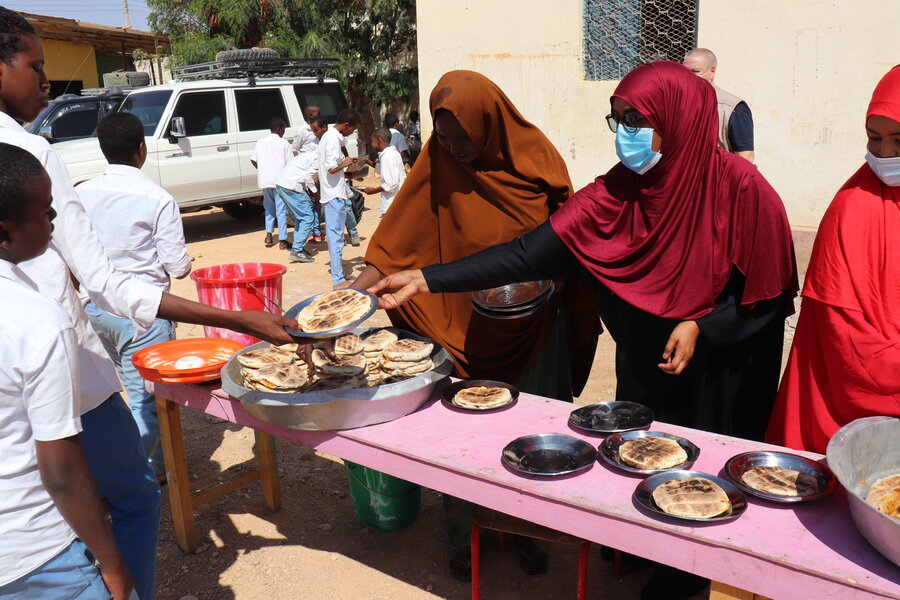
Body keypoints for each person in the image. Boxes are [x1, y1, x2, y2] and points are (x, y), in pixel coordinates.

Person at [368, 63, 797, 598]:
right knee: (643, 461)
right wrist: (428, 278)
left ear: (680, 119)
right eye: (616, 119)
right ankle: (647, 552)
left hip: (715, 373)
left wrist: (702, 325)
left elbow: (770, 295)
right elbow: (526, 254)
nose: (624, 134)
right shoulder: (617, 194)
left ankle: (683, 579)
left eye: (637, 120)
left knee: (704, 485)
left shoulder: (743, 190)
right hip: (645, 366)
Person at [0, 10, 296, 599]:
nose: (47, 82)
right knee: (130, 497)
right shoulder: (29, 157)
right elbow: (110, 282)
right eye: (35, 66)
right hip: (71, 377)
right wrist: (237, 316)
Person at [348, 70, 601, 582]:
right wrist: (356, 292)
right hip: (462, 328)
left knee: (533, 435)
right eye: (445, 138)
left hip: (534, 330)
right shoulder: (437, 165)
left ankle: (529, 532)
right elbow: (397, 240)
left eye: (464, 137)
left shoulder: (538, 165)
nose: (456, 148)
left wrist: (552, 286)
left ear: (490, 124)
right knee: (464, 439)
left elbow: (569, 245)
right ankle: (465, 535)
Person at [0, 143, 134, 600]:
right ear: (5, 233)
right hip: (37, 551)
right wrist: (113, 566)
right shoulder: (37, 321)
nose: (54, 219)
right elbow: (60, 470)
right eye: (45, 212)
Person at [766, 65, 900, 453]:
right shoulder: (852, 207)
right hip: (852, 419)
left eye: (898, 140)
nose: (885, 154)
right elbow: (840, 335)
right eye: (874, 138)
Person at [78, 112, 192, 484]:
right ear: (140, 149)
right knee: (147, 402)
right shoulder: (157, 198)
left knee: (132, 388)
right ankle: (123, 481)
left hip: (95, 310)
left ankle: (156, 468)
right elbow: (177, 267)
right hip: (141, 317)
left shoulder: (81, 193)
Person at [684, 48, 755, 163]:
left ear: (712, 71)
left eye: (695, 71)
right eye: (685, 72)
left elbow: (745, 156)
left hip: (716, 178)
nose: (689, 76)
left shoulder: (732, 107)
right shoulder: (679, 103)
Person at [318, 108, 361, 286]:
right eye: (352, 129)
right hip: (333, 194)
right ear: (347, 125)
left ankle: (340, 275)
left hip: (335, 191)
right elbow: (330, 168)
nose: (351, 133)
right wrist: (346, 163)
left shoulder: (331, 137)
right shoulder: (332, 138)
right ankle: (337, 279)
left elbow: (334, 168)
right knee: (335, 236)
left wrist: (346, 170)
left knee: (336, 235)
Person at [250, 117, 293, 249]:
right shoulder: (284, 143)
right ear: (279, 128)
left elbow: (253, 159)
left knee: (268, 208)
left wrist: (263, 170)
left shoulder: (260, 142)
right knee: (281, 210)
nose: (284, 132)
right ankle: (282, 239)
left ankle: (269, 234)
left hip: (265, 181)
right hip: (280, 182)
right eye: (284, 129)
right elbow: (290, 163)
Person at [276, 135, 319, 263]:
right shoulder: (318, 158)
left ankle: (298, 247)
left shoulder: (309, 155)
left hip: (283, 184)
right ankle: (297, 250)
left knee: (301, 218)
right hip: (291, 186)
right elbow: (308, 177)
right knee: (307, 217)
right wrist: (315, 193)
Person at [363, 127, 407, 217]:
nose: (371, 145)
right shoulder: (392, 153)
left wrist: (373, 191)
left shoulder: (388, 156)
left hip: (391, 204)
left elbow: (390, 184)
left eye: (372, 141)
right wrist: (366, 161)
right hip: (396, 202)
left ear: (378, 140)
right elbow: (384, 169)